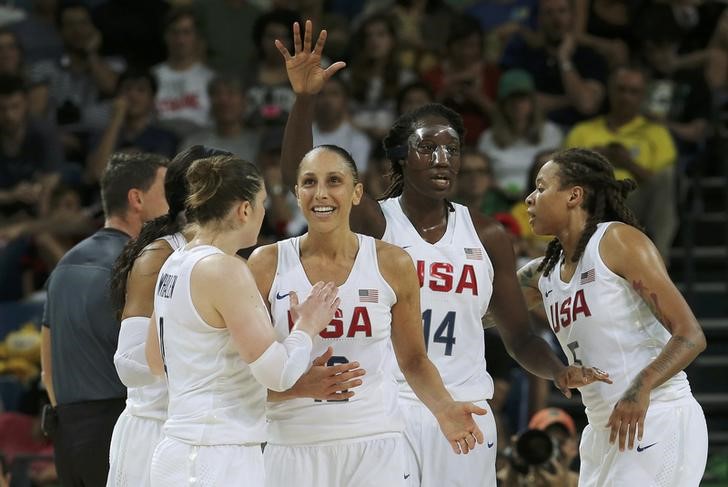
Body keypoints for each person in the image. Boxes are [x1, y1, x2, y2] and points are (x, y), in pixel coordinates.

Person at [275, 21, 610, 486]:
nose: (441, 159)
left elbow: (520, 336)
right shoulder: (376, 221)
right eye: (427, 147)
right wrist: (305, 98)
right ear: (401, 159)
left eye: (451, 148)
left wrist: (559, 371)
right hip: (391, 410)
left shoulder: (488, 234)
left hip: (466, 405)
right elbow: (305, 174)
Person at [248, 144, 489, 486]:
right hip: (292, 443)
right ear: (296, 193)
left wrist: (444, 408)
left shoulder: (392, 263)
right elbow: (243, 373)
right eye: (309, 182)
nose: (321, 193)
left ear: (357, 192)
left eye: (334, 181)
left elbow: (414, 360)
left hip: (375, 442)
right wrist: (297, 387)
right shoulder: (266, 263)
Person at [144, 154, 340, 486]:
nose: (264, 211)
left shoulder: (175, 262)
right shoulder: (224, 269)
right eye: (262, 202)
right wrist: (306, 325)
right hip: (215, 456)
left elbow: (154, 362)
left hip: (177, 449)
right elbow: (277, 374)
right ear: (244, 210)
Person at [518, 147, 708, 486]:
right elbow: (478, 310)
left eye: (541, 187)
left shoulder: (617, 241)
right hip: (602, 428)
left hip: (655, 416)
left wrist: (641, 387)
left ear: (574, 195)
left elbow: (690, 335)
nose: (530, 199)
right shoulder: (542, 273)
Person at [40, 152, 168, 487]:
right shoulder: (140, 267)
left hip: (67, 436)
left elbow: (47, 367)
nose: (176, 205)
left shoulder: (64, 265)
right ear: (136, 199)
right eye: (167, 192)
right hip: (119, 430)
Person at [104, 145, 228, 487]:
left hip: (202, 435)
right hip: (156, 432)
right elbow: (128, 363)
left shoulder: (226, 257)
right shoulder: (159, 256)